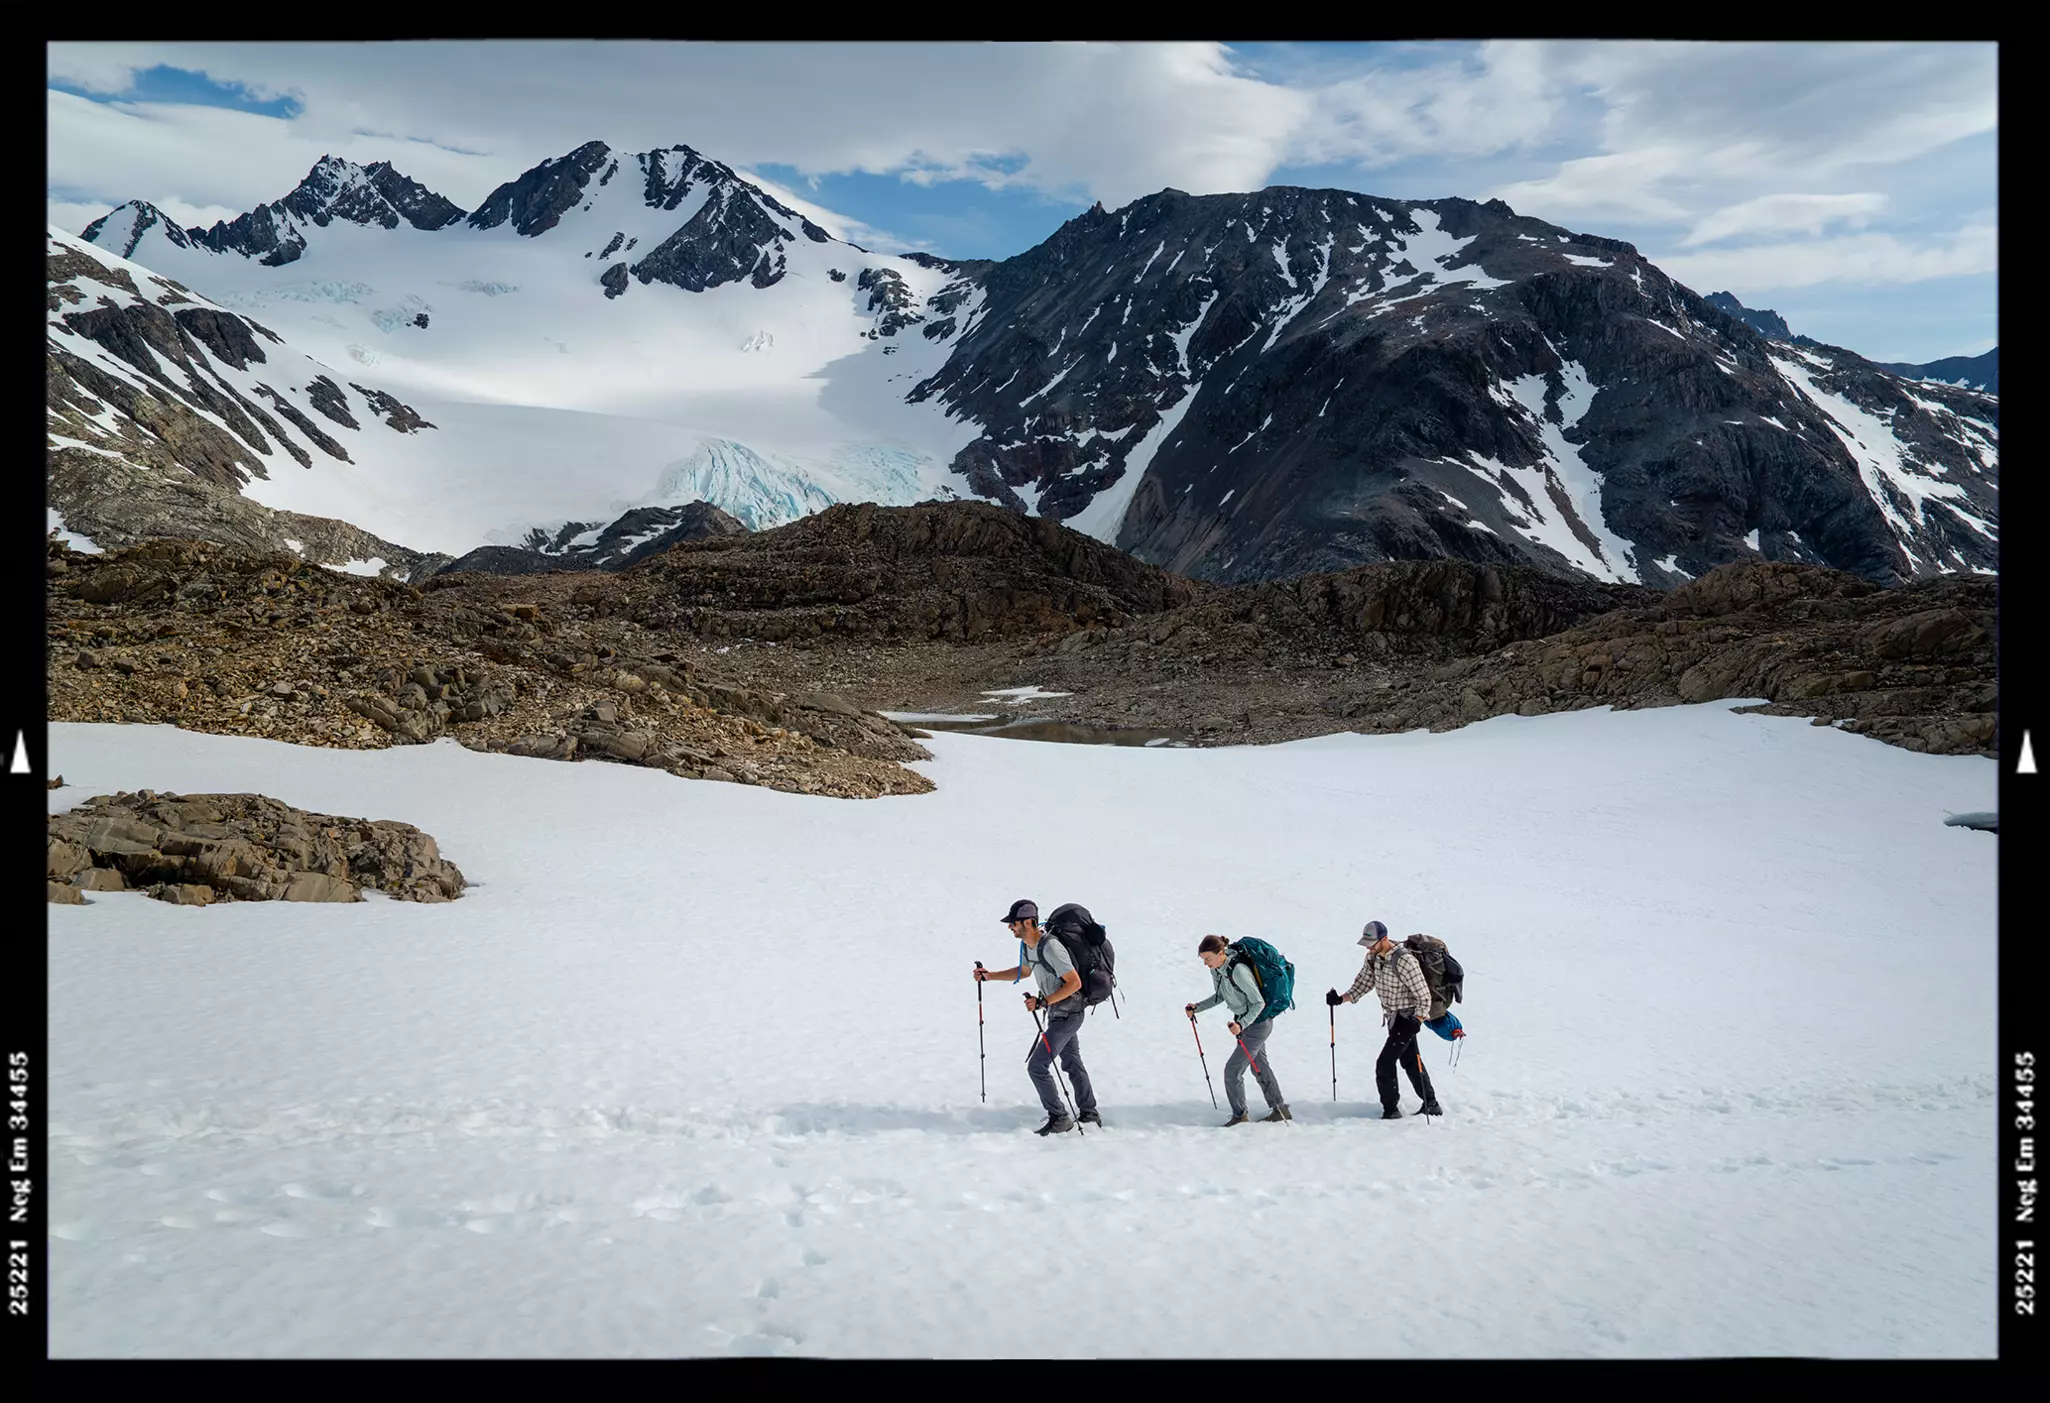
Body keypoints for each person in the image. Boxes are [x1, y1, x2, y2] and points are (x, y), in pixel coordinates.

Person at [975, 899, 1101, 1134]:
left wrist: (1043, 1001)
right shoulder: (1027, 945)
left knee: (1037, 1066)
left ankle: (1060, 1117)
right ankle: (1090, 1112)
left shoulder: (1051, 946)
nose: (1010, 927)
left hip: (1069, 1013)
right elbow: (1024, 971)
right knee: (1072, 1062)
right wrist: (989, 976)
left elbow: (1075, 983)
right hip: (1057, 1013)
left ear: (1029, 922)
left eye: (1013, 923)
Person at [1326, 920, 1442, 1119]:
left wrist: (1417, 1020)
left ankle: (1391, 1110)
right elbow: (1363, 983)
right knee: (1411, 1061)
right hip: (1392, 1018)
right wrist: (1341, 999)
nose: (1368, 947)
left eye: (1372, 943)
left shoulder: (1404, 960)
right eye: (1367, 943)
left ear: (1384, 938)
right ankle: (1431, 1103)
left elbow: (1423, 995)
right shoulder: (1373, 958)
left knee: (1384, 1064)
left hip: (1407, 1019)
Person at [1187, 935, 1290, 1126]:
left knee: (1233, 1070)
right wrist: (1197, 1007)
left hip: (1257, 1024)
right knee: (1259, 1066)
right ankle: (1280, 1108)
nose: (1205, 963)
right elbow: (1221, 995)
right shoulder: (1218, 969)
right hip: (1245, 1023)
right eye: (1203, 959)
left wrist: (1242, 1025)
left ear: (1221, 953)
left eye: (1208, 959)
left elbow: (1259, 1002)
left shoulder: (1239, 971)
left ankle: (1240, 1116)